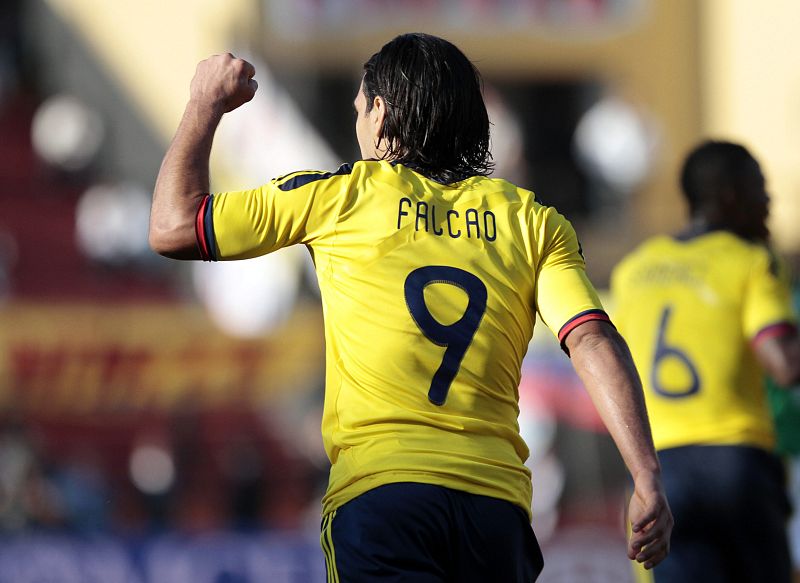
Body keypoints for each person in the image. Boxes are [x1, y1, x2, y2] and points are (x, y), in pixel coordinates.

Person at [149, 33, 671, 581]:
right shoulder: (533, 221)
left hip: (383, 494)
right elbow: (591, 338)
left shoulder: (336, 197)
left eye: (358, 110)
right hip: (494, 509)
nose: (356, 127)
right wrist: (646, 475)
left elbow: (173, 227)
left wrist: (204, 104)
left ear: (380, 112)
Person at [611, 140, 800, 583]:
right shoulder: (750, 259)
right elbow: (784, 364)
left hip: (657, 476)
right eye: (762, 188)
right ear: (732, 195)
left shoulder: (633, 269)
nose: (770, 202)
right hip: (736, 465)